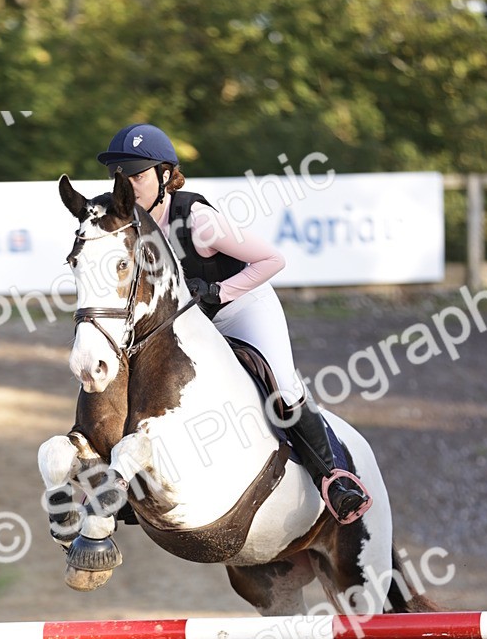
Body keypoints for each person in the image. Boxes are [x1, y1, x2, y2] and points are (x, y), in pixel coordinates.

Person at [96, 122, 372, 524]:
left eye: (138, 175)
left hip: (243, 307)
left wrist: (219, 291)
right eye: (122, 176)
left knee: (284, 386)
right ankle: (130, 488)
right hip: (193, 321)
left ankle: (333, 479)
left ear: (165, 175)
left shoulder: (199, 220)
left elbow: (272, 260)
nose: (129, 185)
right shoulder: (129, 226)